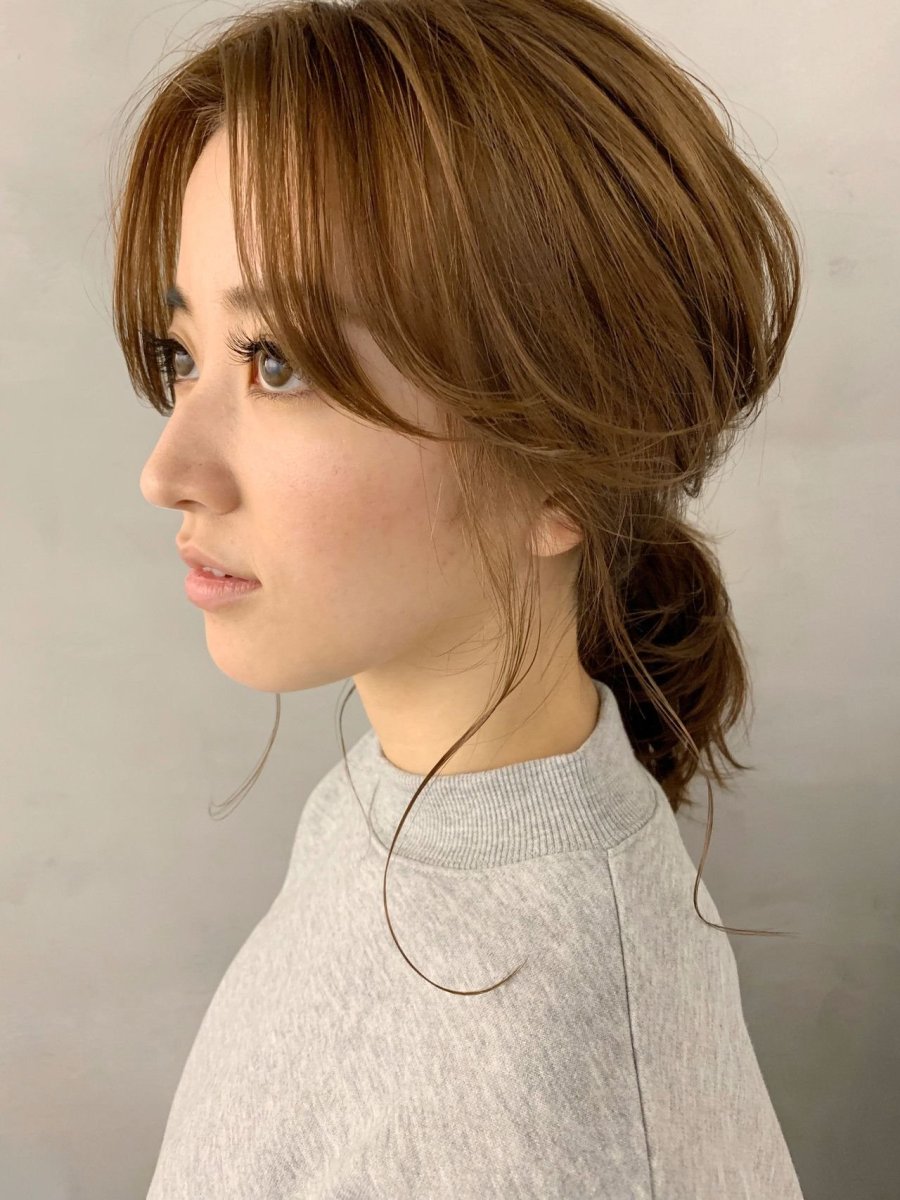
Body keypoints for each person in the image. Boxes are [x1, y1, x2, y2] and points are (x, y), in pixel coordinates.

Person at [109, 0, 806, 1195]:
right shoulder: (399, 801)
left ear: (562, 464)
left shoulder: (525, 1102)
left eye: (279, 363)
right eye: (187, 355)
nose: (168, 469)